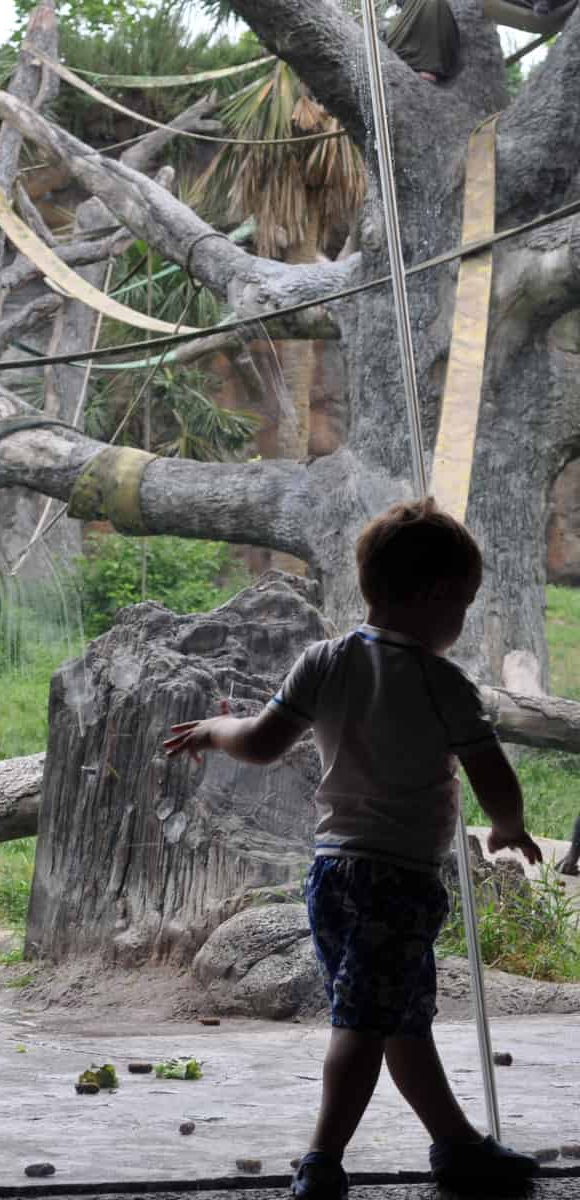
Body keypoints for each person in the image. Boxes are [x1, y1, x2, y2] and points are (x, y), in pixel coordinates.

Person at [163, 498, 542, 1200]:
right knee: (367, 1023)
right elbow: (492, 770)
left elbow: (263, 742)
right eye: (461, 604)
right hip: (397, 880)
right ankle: (321, 1161)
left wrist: (217, 732)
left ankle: (456, 1145)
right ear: (432, 596)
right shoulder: (444, 683)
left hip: (332, 873)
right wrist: (508, 825)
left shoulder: (325, 660)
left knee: (402, 1019)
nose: (460, 622)